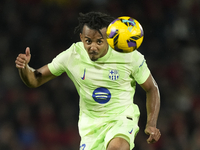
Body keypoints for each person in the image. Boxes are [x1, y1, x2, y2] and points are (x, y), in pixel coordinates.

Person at [15, 11, 161, 150]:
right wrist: (24, 67)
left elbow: (151, 88)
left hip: (121, 117)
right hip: (90, 126)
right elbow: (34, 80)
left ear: (108, 38)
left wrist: (151, 124)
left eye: (99, 42)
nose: (93, 47)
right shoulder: (72, 55)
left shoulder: (129, 56)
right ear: (81, 37)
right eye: (88, 41)